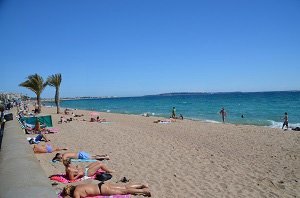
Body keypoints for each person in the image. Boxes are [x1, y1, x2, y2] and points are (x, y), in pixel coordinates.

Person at [62, 182, 151, 198]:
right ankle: (142, 185)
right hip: (102, 184)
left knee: (124, 191)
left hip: (102, 190)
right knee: (124, 187)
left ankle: (144, 191)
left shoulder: (76, 193)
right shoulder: (79, 186)